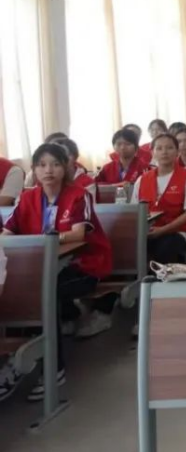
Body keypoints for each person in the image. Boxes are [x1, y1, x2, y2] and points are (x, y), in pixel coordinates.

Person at [1, 143, 112, 400]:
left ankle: (54, 367)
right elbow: (8, 231)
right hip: (40, 267)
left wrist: (44, 240)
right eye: (41, 165)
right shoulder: (27, 197)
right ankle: (17, 360)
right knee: (22, 292)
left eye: (55, 164)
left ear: (66, 167)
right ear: (34, 170)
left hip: (83, 265)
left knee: (44, 295)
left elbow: (78, 234)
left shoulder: (79, 195)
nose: (48, 170)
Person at [133, 134, 186, 267]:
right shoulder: (142, 179)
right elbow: (134, 211)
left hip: (175, 232)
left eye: (169, 148)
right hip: (147, 232)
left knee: (164, 249)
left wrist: (162, 230)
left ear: (177, 152)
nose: (164, 152)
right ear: (152, 152)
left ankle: (161, 279)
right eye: (159, 148)